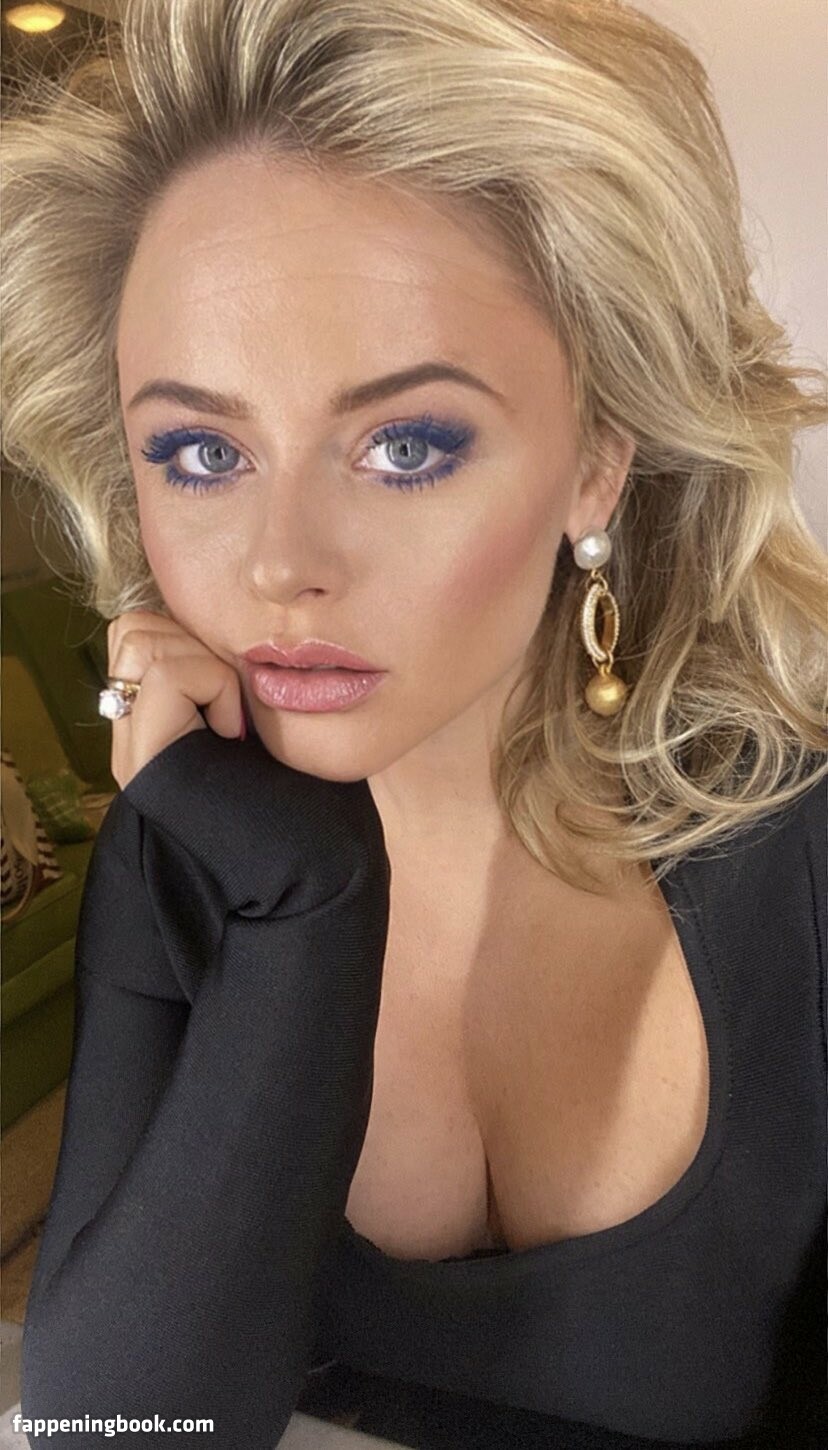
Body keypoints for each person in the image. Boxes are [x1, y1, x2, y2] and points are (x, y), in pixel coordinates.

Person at [2, 1, 825, 1446]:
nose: (280, 565)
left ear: (595, 463)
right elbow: (118, 1425)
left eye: (404, 444)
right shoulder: (187, 853)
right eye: (200, 451)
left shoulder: (798, 847)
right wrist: (303, 910)